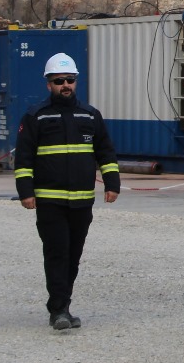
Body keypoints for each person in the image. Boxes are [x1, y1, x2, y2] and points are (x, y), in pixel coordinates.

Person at [14, 52, 119, 331]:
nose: (65, 85)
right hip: (50, 201)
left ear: (76, 82)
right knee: (57, 253)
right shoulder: (36, 116)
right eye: (59, 80)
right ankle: (58, 310)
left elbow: (105, 151)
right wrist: (26, 192)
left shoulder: (90, 115)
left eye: (70, 80)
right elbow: (23, 158)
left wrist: (112, 183)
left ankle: (64, 305)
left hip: (82, 202)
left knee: (73, 256)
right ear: (48, 83)